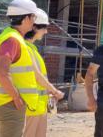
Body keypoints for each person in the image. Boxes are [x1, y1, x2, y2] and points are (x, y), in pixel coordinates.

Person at [0, 0, 40, 137]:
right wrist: (16, 97)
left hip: (3, 103)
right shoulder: (12, 40)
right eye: (33, 17)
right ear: (26, 18)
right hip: (9, 104)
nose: (34, 21)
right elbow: (1, 73)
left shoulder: (9, 36)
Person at [23, 9, 65, 137]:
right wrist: (55, 91)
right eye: (44, 28)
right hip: (31, 107)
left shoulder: (32, 49)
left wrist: (49, 92)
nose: (46, 31)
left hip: (39, 106)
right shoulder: (25, 48)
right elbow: (37, 75)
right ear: (34, 27)